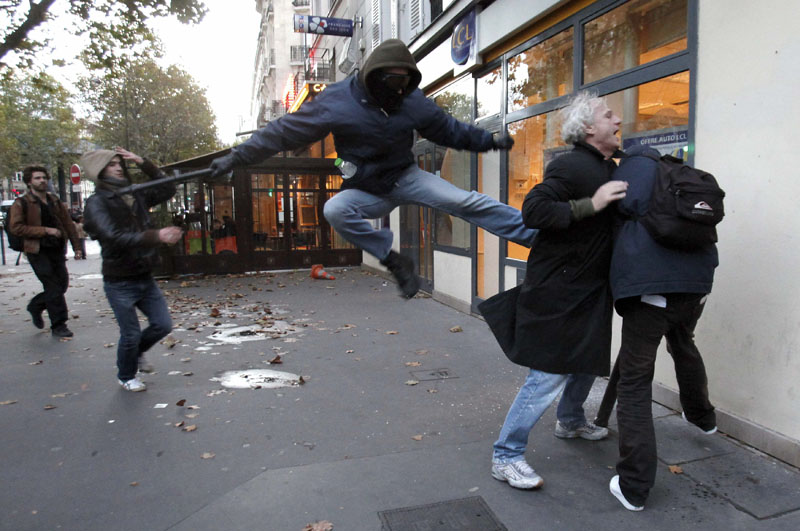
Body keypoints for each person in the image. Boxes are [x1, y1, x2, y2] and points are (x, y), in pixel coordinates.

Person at [209, 39, 535, 298]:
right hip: (366, 189)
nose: (399, 90)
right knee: (335, 210)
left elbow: (448, 129)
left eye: (405, 82)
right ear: (375, 77)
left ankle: (535, 235)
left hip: (406, 177)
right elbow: (282, 131)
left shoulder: (411, 100)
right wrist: (236, 158)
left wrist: (487, 141)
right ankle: (394, 261)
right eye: (394, 81)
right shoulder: (336, 101)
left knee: (464, 202)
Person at [481, 92, 628, 489]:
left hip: (591, 288)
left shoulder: (606, 166)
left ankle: (571, 420)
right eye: (608, 114)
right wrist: (591, 204)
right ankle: (506, 454)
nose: (618, 119)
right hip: (560, 290)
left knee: (587, 359)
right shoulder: (572, 166)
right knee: (548, 374)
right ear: (587, 129)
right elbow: (535, 210)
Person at [607, 145, 718, 511]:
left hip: (651, 289)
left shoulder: (632, 171)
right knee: (683, 341)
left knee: (635, 381)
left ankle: (634, 485)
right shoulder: (681, 173)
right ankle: (702, 417)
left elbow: (609, 216)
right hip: (696, 284)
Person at [82, 147, 183, 392]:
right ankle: (126, 375)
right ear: (99, 171)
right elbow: (112, 236)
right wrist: (156, 235)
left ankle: (135, 354)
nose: (118, 167)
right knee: (130, 334)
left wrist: (143, 162)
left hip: (144, 275)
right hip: (119, 280)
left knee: (163, 325)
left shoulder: (134, 193)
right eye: (111, 164)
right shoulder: (97, 203)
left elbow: (168, 188)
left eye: (119, 163)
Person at [8, 166, 83, 338]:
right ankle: (59, 324)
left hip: (56, 249)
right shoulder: (21, 203)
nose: (42, 180)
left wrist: (77, 246)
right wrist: (45, 231)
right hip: (37, 250)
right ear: (29, 182)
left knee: (62, 284)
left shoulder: (54, 201)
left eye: (43, 177)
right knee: (52, 286)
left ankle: (36, 305)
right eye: (37, 178)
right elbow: (16, 227)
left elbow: (68, 224)